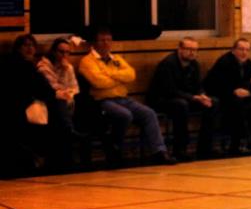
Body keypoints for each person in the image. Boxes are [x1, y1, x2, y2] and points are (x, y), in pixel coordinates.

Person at [78, 28, 175, 165]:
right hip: (102, 101)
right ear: (95, 43)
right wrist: (119, 78)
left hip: (123, 98)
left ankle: (159, 152)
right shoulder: (87, 61)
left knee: (149, 113)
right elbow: (99, 82)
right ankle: (114, 147)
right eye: (102, 40)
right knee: (125, 115)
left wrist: (109, 74)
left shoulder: (116, 59)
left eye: (109, 40)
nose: (106, 43)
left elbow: (131, 75)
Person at [147, 38, 219, 160]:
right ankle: (180, 149)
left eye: (195, 50)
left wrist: (202, 95)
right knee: (181, 105)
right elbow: (170, 90)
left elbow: (198, 86)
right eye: (189, 49)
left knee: (213, 102)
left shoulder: (194, 64)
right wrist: (193, 97)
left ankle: (205, 147)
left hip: (186, 99)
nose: (192, 53)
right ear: (179, 49)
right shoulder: (167, 64)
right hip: (162, 100)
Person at [0, 35, 58, 175]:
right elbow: (44, 90)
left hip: (14, 107)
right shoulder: (24, 66)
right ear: (18, 48)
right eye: (25, 45)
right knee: (55, 113)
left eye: (32, 45)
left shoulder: (20, 64)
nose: (29, 48)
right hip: (18, 108)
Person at [204, 38, 251, 154]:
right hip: (223, 95)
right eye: (241, 49)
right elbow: (213, 85)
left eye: (247, 50)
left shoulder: (249, 64)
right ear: (233, 50)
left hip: (241, 95)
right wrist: (233, 91)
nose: (244, 53)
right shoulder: (224, 62)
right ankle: (236, 141)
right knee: (237, 102)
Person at [38, 36, 87, 170]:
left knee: (82, 102)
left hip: (66, 100)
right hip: (48, 101)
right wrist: (66, 91)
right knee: (59, 102)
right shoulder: (43, 67)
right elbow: (53, 88)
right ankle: (69, 129)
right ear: (54, 51)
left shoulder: (68, 67)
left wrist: (67, 92)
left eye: (67, 52)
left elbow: (75, 87)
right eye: (61, 52)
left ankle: (73, 131)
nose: (64, 55)